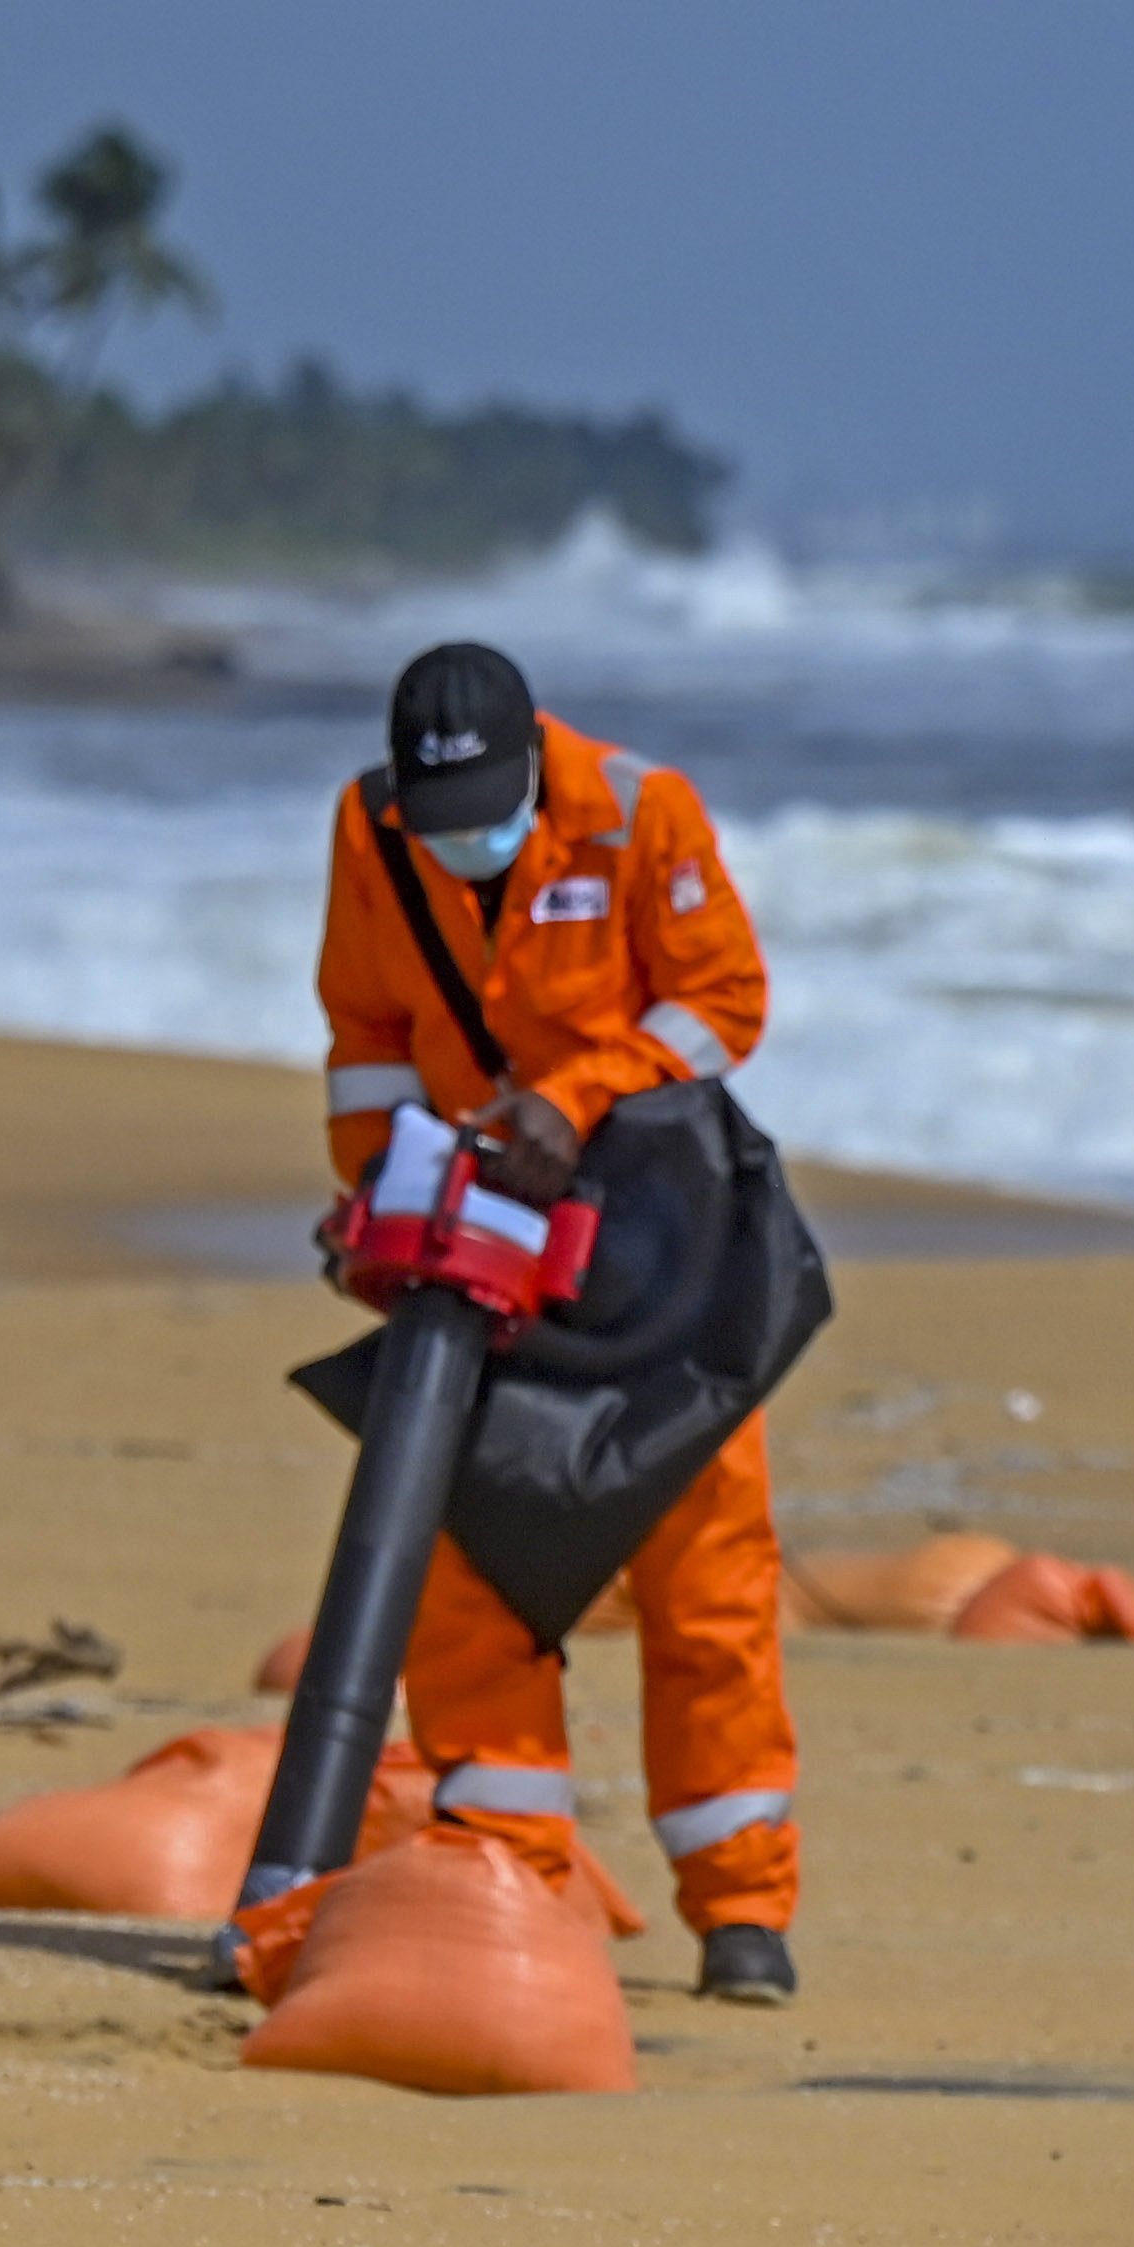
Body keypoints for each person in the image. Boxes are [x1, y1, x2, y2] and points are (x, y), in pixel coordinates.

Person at [315, 642, 801, 2002]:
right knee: (466, 1567)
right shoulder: (371, 828)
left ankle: (741, 1909)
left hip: (661, 1236)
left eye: (487, 817)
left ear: (536, 764)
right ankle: (508, 1874)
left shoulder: (641, 811)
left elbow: (724, 1002)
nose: (462, 844)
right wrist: (376, 1196)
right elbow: (364, 1034)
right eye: (440, 823)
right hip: (475, 1242)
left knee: (706, 1578)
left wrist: (575, 1097)